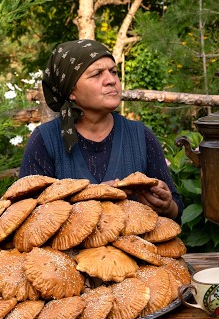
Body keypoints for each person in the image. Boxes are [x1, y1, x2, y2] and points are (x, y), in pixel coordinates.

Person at [19, 39, 183, 223]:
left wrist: (167, 206)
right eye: (96, 74)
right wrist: (89, 198)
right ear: (71, 90)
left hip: (136, 250)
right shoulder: (45, 141)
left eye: (113, 72)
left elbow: (175, 210)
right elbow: (26, 216)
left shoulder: (140, 136)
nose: (111, 80)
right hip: (69, 252)